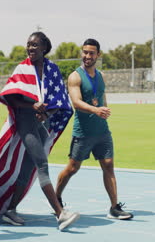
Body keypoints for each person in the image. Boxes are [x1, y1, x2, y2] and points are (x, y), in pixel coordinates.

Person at [0, 32, 80, 230]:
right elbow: (11, 99)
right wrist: (32, 107)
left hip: (44, 124)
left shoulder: (52, 69)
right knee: (42, 165)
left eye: (35, 45)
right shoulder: (22, 68)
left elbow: (60, 99)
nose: (31, 48)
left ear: (44, 47)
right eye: (28, 44)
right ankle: (60, 214)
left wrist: (47, 113)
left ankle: (10, 210)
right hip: (26, 122)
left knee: (28, 169)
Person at [55, 38, 134, 220]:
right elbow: (76, 102)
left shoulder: (101, 75)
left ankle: (114, 207)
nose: (87, 56)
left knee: (108, 166)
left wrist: (103, 109)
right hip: (83, 132)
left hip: (102, 131)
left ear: (98, 55)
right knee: (72, 168)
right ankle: (56, 198)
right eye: (84, 52)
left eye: (91, 53)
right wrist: (96, 110)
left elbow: (101, 95)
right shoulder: (75, 76)